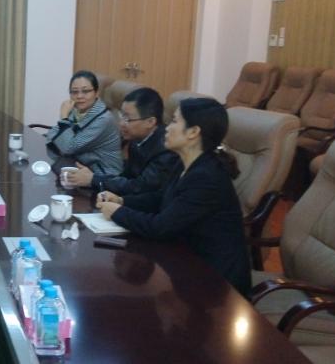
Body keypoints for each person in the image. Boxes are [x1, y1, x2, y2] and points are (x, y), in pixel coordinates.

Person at [96, 98, 251, 297]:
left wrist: (118, 212)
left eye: (175, 121)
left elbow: (161, 227)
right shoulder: (186, 162)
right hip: (186, 259)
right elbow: (161, 198)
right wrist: (122, 201)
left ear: (193, 132)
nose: (167, 128)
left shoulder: (206, 177)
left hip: (217, 283)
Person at [62, 87, 179, 194]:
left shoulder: (167, 149)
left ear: (150, 122)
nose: (121, 123)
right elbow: (126, 177)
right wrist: (93, 179)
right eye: (122, 116)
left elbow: (140, 187)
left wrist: (93, 180)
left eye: (127, 119)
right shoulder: (136, 139)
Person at [45, 70, 123, 175]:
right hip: (79, 166)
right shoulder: (77, 110)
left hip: (103, 174)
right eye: (74, 92)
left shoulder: (104, 119)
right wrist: (63, 132)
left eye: (85, 91)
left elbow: (68, 148)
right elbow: (52, 133)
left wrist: (64, 118)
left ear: (97, 93)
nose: (79, 96)